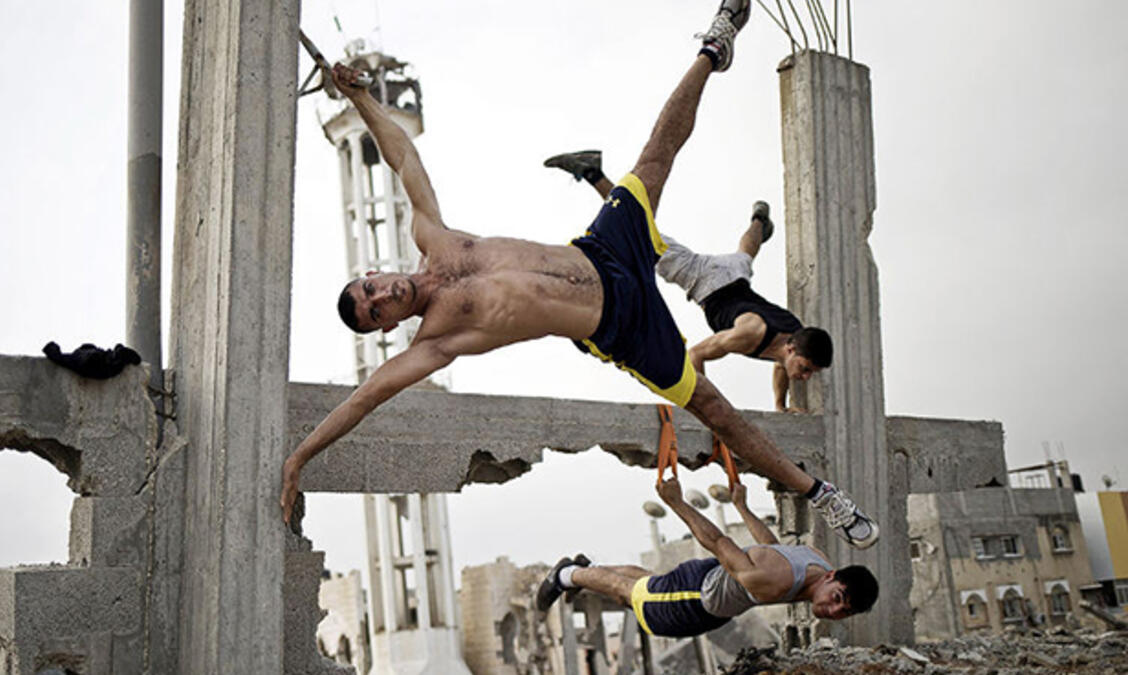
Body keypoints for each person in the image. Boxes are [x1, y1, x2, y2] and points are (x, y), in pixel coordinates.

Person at [281, 0, 878, 549]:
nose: (383, 295)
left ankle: (714, 45)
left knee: (654, 158)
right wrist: (299, 459)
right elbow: (364, 399)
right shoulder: (436, 341)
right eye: (377, 310)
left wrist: (359, 99)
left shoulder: (432, 237)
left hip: (604, 252)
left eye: (371, 287)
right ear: (387, 325)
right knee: (715, 410)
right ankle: (822, 495)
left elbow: (402, 156)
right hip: (621, 326)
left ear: (374, 272)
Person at [543, 149, 832, 413]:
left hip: (735, 276)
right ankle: (593, 172)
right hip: (706, 279)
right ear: (791, 349)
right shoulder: (750, 334)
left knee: (744, 256)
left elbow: (781, 364)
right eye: (805, 368)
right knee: (639, 231)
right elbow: (695, 354)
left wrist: (780, 405)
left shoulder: (794, 336)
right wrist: (707, 409)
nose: (805, 377)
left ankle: (759, 221)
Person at [535, 477, 879, 637]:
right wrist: (676, 503)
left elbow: (772, 546)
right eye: (837, 599)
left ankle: (588, 569)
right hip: (695, 600)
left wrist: (742, 507)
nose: (833, 610)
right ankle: (565, 575)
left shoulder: (815, 560)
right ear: (832, 577)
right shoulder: (774, 581)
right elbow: (717, 541)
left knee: (646, 583)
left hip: (711, 584)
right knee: (628, 593)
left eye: (844, 611)